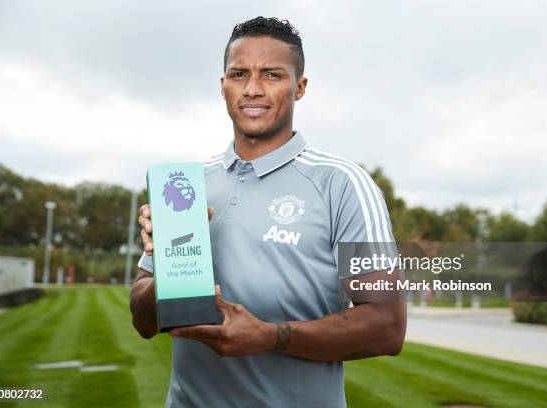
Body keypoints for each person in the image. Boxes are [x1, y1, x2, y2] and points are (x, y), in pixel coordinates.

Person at [130, 16, 406, 407]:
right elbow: (143, 322)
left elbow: (387, 327)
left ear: (300, 87)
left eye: (272, 74)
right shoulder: (186, 186)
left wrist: (271, 337)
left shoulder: (343, 184)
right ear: (222, 85)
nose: (253, 89)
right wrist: (171, 275)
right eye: (239, 74)